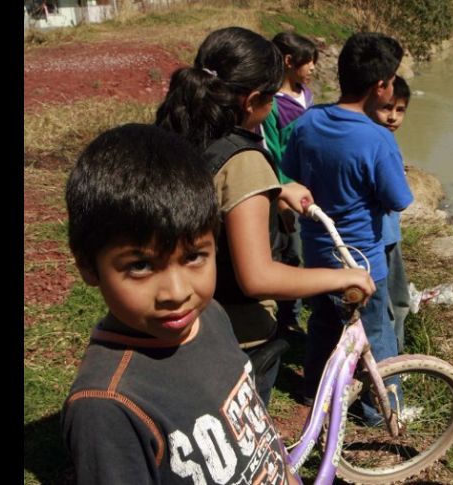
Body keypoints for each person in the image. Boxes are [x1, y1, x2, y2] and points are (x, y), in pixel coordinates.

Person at [61, 123, 295, 484]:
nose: (176, 292)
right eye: (140, 265)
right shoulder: (107, 406)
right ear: (89, 267)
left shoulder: (211, 316)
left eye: (193, 256)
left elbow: (260, 439)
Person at [155, 26, 375, 406]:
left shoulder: (177, 133)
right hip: (236, 336)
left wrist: (274, 189)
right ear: (253, 100)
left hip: (178, 319)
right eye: (271, 97)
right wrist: (343, 277)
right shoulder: (244, 163)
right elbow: (258, 277)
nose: (273, 107)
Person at [281, 32, 413, 422]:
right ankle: (383, 412)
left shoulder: (308, 123)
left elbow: (292, 176)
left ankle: (314, 393)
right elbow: (398, 199)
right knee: (377, 336)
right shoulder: (376, 138)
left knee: (323, 324)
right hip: (360, 262)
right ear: (382, 86)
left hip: (317, 252)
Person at [260, 32, 320, 337]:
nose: (312, 68)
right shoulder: (271, 106)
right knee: (289, 253)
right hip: (287, 192)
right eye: (307, 62)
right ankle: (288, 318)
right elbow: (270, 153)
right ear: (288, 62)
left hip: (309, 187)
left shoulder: (305, 94)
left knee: (309, 247)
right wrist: (281, 198)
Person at [370, 75, 412, 352]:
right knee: (394, 299)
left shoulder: (374, 139)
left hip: (384, 233)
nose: (393, 117)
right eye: (387, 108)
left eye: (400, 110)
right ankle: (395, 355)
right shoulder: (380, 142)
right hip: (382, 236)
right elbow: (399, 199)